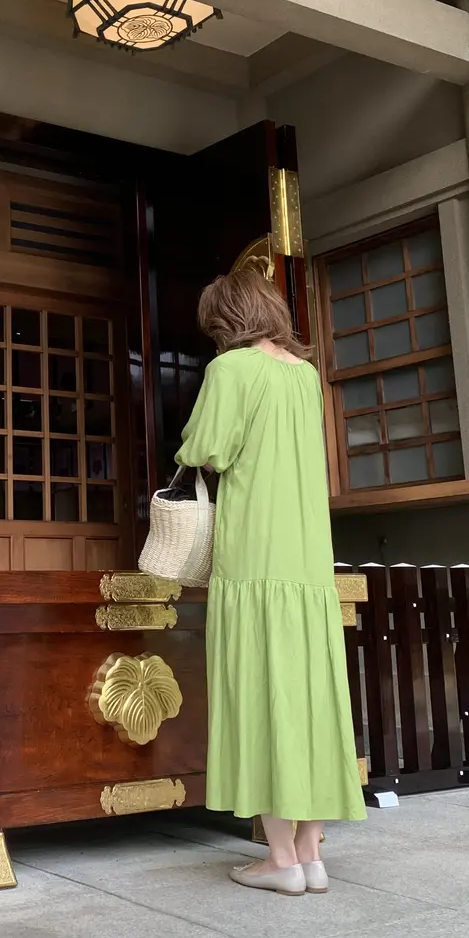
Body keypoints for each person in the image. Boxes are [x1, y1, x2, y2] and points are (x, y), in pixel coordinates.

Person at [176, 265, 365, 894]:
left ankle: (280, 858)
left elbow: (206, 449)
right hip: (307, 556)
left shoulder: (230, 370)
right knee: (311, 695)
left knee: (260, 692)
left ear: (226, 318)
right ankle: (311, 854)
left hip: (255, 553)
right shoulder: (304, 375)